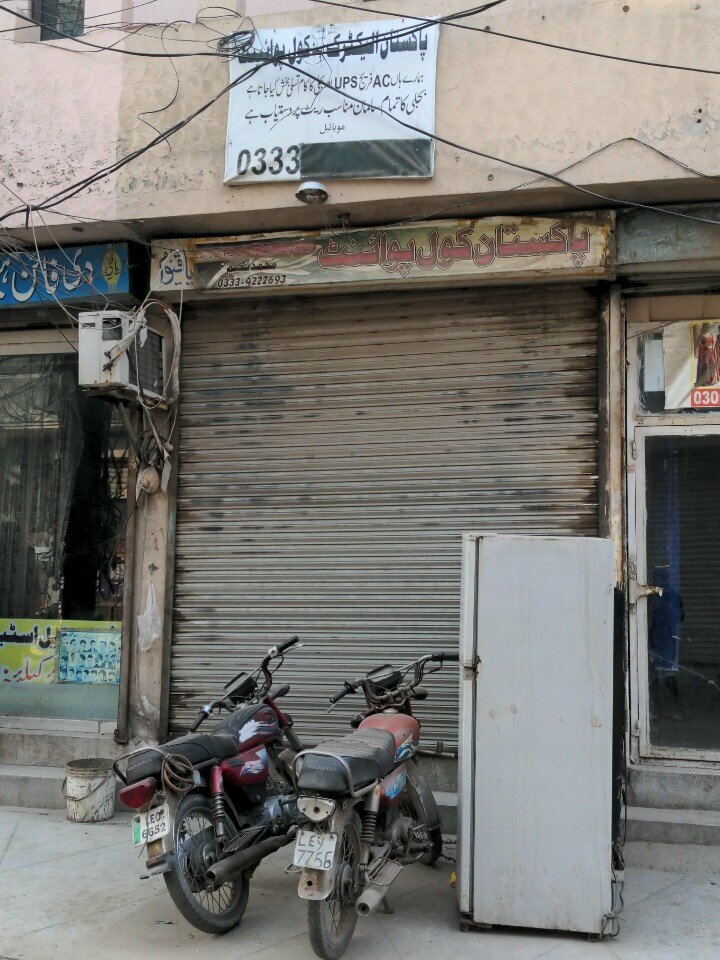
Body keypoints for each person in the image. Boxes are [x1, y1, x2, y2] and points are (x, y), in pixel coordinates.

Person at [695, 323, 720, 387]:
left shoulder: (710, 334)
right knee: (705, 366)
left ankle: (711, 380)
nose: (708, 328)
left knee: (712, 365)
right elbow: (698, 344)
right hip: (704, 354)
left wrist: (712, 345)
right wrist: (705, 346)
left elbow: (713, 342)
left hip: (711, 353)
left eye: (708, 327)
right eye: (706, 327)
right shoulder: (701, 335)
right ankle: (704, 381)